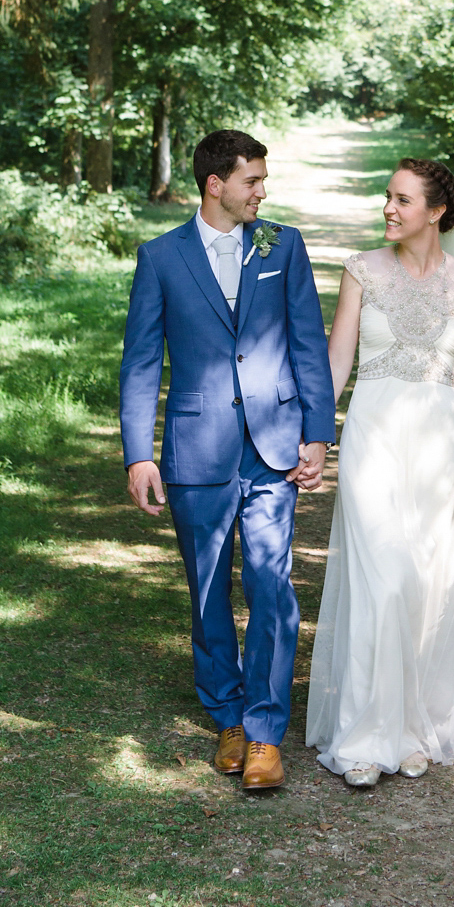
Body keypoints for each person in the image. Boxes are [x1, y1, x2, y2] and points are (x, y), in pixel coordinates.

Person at [120, 129, 335, 790]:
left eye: (263, 182)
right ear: (215, 185)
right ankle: (228, 717)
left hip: (272, 447)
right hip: (196, 452)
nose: (261, 192)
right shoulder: (161, 257)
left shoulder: (282, 246)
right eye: (252, 181)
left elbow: (307, 343)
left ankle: (266, 733)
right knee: (208, 589)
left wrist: (317, 434)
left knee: (271, 586)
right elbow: (140, 362)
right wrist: (138, 455)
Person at [305, 157, 454, 787]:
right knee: (386, 580)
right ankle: (365, 739)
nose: (389, 209)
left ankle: (416, 728)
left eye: (401, 200)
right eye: (387, 198)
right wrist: (317, 438)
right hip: (372, 437)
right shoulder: (362, 270)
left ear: (437, 211)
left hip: (438, 449)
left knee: (430, 590)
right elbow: (336, 360)